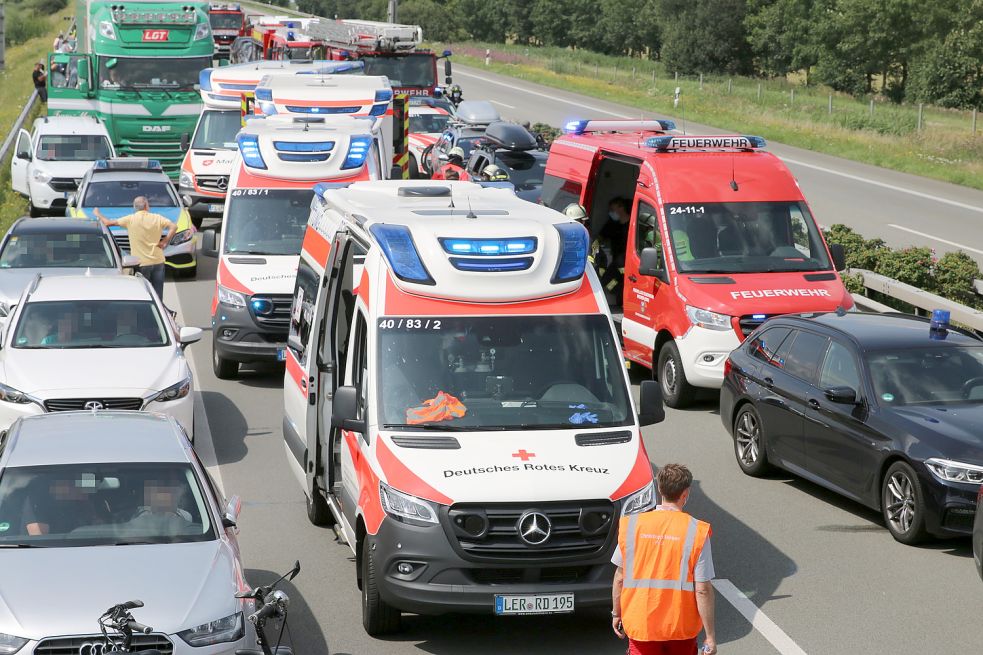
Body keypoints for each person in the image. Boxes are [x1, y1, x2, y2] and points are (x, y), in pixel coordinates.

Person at [612, 464, 717, 655]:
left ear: (659, 489)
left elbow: (620, 578)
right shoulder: (697, 532)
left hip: (641, 623)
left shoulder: (632, 526)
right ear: (685, 494)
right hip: (681, 627)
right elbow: (702, 589)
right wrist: (710, 636)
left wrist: (616, 613)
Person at [94, 197, 176, 307]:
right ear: (147, 206)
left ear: (134, 207)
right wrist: (165, 241)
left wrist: (98, 213)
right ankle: (160, 314)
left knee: (143, 294)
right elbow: (174, 226)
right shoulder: (157, 218)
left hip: (141, 263)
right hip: (158, 261)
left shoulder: (131, 219)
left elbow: (107, 223)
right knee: (158, 295)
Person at [599, 197, 630, 307]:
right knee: (606, 280)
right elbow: (600, 237)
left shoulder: (632, 226)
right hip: (618, 262)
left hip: (629, 263)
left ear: (621, 208)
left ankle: (623, 301)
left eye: (613, 209)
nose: (611, 212)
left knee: (628, 283)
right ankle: (620, 295)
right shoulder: (612, 225)